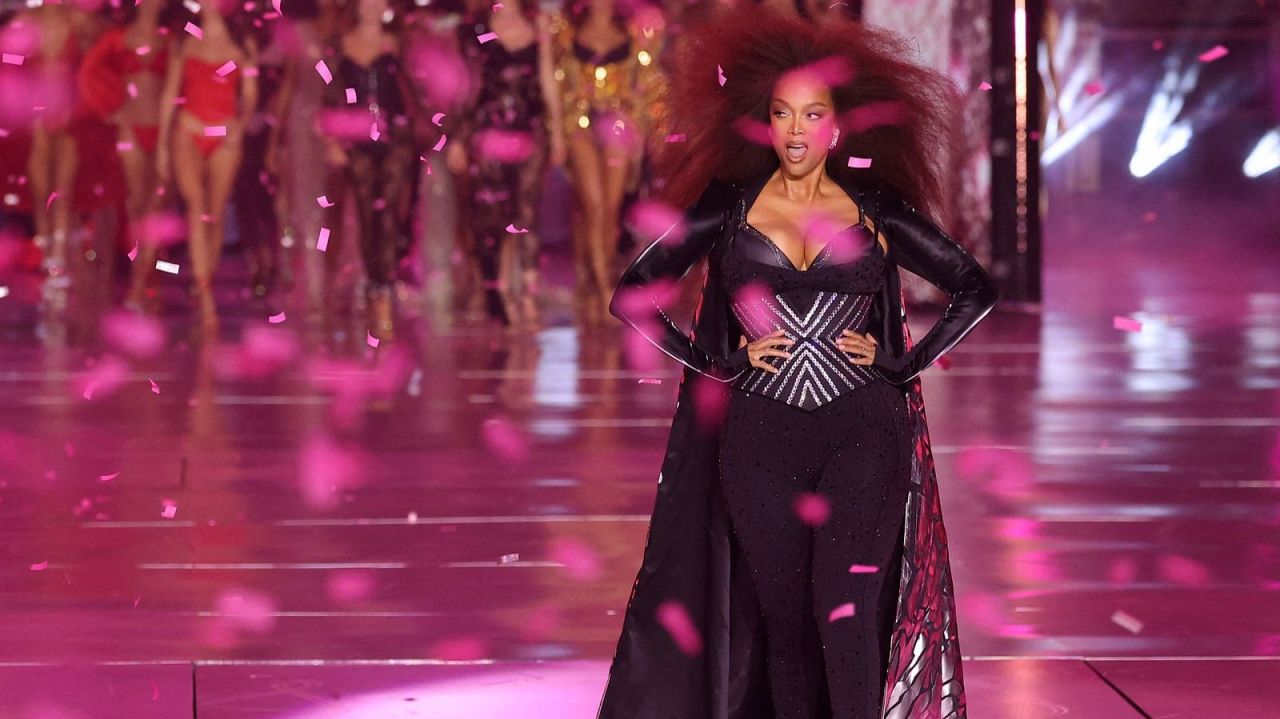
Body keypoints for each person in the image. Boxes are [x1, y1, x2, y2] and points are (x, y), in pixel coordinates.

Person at [599, 5, 997, 718]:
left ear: (837, 127)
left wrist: (904, 362)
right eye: (782, 114)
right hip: (758, 440)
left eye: (812, 115)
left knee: (846, 620)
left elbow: (973, 286)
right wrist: (717, 362)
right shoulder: (730, 206)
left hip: (863, 433)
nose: (795, 130)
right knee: (783, 631)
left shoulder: (874, 207)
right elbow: (634, 295)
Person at [447, 0, 563, 330]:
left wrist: (558, 133)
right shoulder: (476, 30)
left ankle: (528, 294)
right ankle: (496, 291)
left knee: (526, 212)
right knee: (492, 215)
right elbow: (467, 86)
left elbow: (547, 78)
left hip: (530, 130)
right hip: (488, 134)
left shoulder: (538, 26)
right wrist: (457, 138)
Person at [549, 0, 665, 326]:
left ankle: (598, 278)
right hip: (580, 127)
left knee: (610, 210)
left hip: (619, 127)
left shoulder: (635, 34)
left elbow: (649, 86)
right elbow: (556, 85)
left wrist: (647, 131)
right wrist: (556, 133)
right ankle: (604, 290)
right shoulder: (565, 33)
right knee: (594, 206)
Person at [319, 0, 418, 342]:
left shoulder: (400, 43)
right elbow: (328, 93)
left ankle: (384, 292)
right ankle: (376, 286)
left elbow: (416, 92)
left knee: (387, 213)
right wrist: (331, 140)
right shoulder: (338, 46)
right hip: (356, 141)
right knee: (366, 215)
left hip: (395, 138)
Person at [157, 0, 259, 327]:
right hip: (188, 131)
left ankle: (205, 281)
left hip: (224, 135)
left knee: (214, 213)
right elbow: (170, 93)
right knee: (197, 207)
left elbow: (250, 94)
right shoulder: (186, 37)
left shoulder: (243, 41)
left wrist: (240, 126)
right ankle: (205, 297)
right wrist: (161, 145)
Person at [78, 0, 172, 311]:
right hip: (131, 128)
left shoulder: (171, 39)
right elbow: (88, 71)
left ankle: (148, 278)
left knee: (156, 207)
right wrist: (107, 110)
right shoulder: (118, 37)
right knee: (135, 206)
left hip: (163, 132)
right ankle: (138, 280)